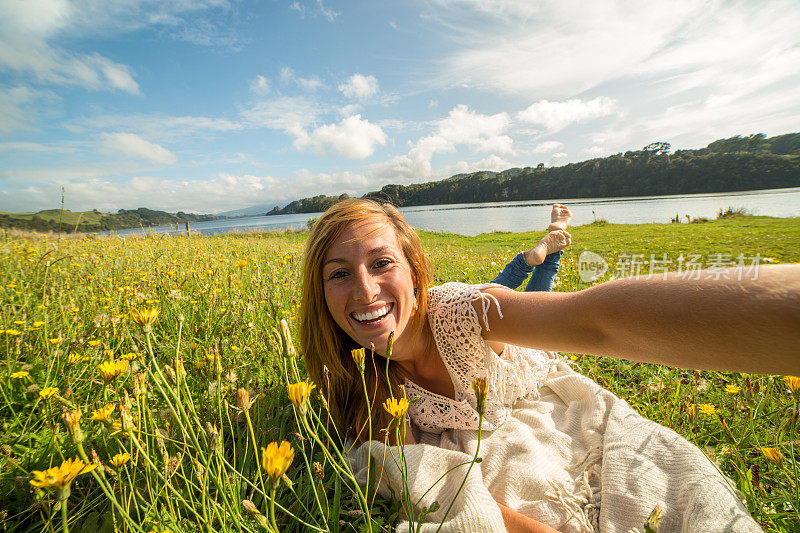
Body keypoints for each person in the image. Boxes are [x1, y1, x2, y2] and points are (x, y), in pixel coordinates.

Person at [300, 198, 799, 533]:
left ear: (414, 269)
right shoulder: (359, 374)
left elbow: (595, 321)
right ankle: (541, 251)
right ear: (321, 295)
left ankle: (548, 247)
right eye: (340, 274)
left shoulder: (459, 313)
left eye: (381, 263)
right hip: (484, 385)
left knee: (512, 296)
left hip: (526, 371)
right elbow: (430, 484)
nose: (364, 290)